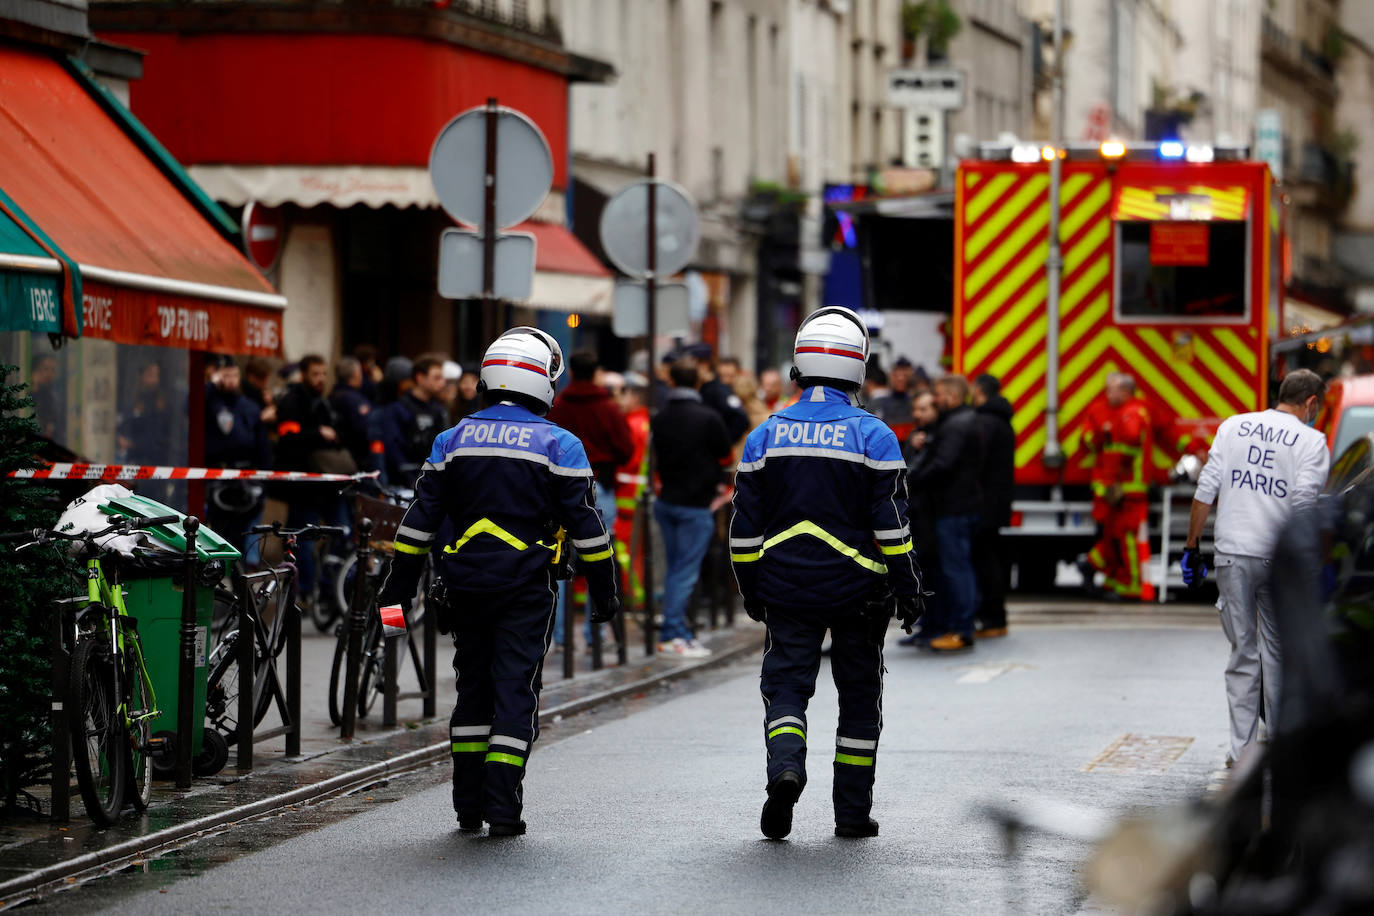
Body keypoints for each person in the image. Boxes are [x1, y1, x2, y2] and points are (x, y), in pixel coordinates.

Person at [377, 327, 619, 836]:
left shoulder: (452, 439)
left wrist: (396, 587)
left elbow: (418, 521)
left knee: (472, 690)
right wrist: (604, 589)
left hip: (461, 585)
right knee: (514, 690)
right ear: (543, 381)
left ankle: (467, 806)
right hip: (526, 587)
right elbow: (587, 527)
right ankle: (503, 810)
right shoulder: (559, 442)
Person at [731, 306, 926, 840]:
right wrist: (909, 590)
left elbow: (743, 533)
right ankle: (851, 815)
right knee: (859, 701)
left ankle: (786, 768)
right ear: (858, 369)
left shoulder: (764, 436)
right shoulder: (876, 437)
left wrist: (753, 590)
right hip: (860, 594)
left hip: (786, 589)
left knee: (787, 690)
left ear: (799, 366)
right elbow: (893, 529)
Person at [1182, 369, 1329, 767]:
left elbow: (1205, 490)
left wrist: (1192, 546)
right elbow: (1303, 507)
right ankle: (1281, 749)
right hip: (1277, 559)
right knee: (1278, 654)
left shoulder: (1234, 426)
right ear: (1311, 403)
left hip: (1231, 554)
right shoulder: (1312, 441)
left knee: (1242, 655)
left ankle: (1240, 752)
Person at [546, 349, 634, 650]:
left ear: (570, 372)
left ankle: (556, 635)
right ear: (596, 373)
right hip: (600, 484)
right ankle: (593, 633)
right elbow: (626, 447)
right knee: (597, 553)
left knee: (557, 557)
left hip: (557, 488)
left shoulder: (557, 406)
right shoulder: (607, 408)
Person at [651, 358, 733, 657]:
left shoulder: (660, 417)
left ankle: (678, 631)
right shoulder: (707, 417)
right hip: (696, 504)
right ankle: (673, 633)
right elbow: (725, 457)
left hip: (667, 500)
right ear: (697, 383)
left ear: (671, 382)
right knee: (684, 572)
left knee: (675, 570)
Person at [908, 374, 984, 652]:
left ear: (951, 395)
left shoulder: (955, 425)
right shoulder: (961, 421)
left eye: (938, 395)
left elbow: (942, 464)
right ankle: (958, 625)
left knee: (956, 570)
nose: (935, 399)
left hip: (953, 508)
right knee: (957, 568)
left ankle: (962, 630)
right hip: (959, 505)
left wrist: (910, 480)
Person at [274, 354, 353, 601]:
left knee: (344, 533)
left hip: (330, 485)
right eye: (315, 374)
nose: (320, 379)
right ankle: (305, 591)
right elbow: (288, 439)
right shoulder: (292, 402)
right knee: (303, 542)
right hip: (304, 487)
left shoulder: (326, 403)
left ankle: (330, 587)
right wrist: (319, 434)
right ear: (304, 375)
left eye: (323, 374)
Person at [1078, 373, 1152, 600]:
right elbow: (1087, 439)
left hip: (1127, 489)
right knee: (1112, 536)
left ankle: (1120, 579)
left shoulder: (1133, 413)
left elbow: (1126, 445)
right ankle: (1108, 575)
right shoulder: (1102, 411)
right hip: (1111, 489)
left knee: (1125, 537)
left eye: (1112, 389)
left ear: (1125, 391)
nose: (1108, 394)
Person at [204, 356, 272, 563]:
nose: (231, 380)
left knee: (242, 540)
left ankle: (241, 585)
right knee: (219, 537)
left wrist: (263, 482)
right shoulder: (209, 401)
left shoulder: (248, 406)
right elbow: (189, 406)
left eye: (234, 375)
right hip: (217, 478)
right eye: (225, 375)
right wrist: (211, 385)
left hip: (245, 481)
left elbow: (263, 447)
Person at [971, 374, 1015, 638]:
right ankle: (994, 617)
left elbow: (976, 463)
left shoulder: (985, 423)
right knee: (992, 560)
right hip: (996, 503)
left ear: (978, 391)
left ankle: (992, 618)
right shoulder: (1002, 422)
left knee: (984, 563)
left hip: (983, 503)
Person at [899, 390, 944, 645]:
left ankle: (935, 625)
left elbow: (917, 474)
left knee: (934, 572)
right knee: (923, 571)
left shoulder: (937, 435)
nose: (918, 414)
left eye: (924, 409)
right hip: (917, 514)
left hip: (932, 515)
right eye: (916, 409)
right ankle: (926, 625)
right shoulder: (917, 436)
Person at [375, 357, 451, 488]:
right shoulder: (399, 408)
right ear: (420, 378)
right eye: (437, 378)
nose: (443, 383)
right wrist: (411, 479)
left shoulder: (439, 409)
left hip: (434, 480)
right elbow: (393, 448)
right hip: (404, 483)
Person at [613, 372, 652, 606]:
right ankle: (637, 597)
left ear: (635, 396)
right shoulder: (646, 422)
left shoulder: (632, 425)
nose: (619, 399)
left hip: (627, 497)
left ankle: (633, 597)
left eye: (623, 394)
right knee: (636, 552)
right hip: (639, 497)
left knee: (625, 552)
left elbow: (628, 461)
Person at [686, 342, 750, 442]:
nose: (727, 380)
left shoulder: (718, 390)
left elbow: (741, 419)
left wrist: (723, 444)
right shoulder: (702, 388)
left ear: (704, 365)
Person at [329, 356, 375, 471]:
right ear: (355, 374)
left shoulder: (331, 395)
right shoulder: (355, 400)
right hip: (356, 457)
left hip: (340, 454)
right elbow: (366, 428)